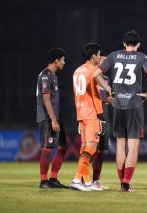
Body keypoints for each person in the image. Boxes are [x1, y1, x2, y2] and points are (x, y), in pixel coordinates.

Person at [95, 30, 147, 192]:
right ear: (138, 44)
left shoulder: (114, 56)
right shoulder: (142, 57)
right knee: (134, 146)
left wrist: (109, 89)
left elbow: (96, 74)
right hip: (134, 104)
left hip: (117, 105)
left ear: (124, 43)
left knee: (120, 145)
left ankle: (122, 182)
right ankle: (126, 183)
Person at [70, 43, 111, 191]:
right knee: (92, 148)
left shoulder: (77, 71)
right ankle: (76, 180)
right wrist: (101, 116)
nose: (100, 58)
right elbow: (96, 95)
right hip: (92, 113)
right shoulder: (94, 71)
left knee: (85, 147)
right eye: (99, 55)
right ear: (93, 56)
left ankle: (87, 181)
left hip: (81, 112)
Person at [36, 48, 68, 189]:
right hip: (48, 118)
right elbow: (46, 99)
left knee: (62, 147)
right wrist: (53, 120)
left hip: (56, 116)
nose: (64, 63)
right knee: (48, 148)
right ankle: (44, 182)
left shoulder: (53, 76)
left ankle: (53, 178)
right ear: (56, 60)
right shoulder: (46, 75)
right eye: (63, 60)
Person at [91, 51, 113, 190]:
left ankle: (96, 181)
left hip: (104, 115)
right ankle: (82, 178)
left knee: (101, 150)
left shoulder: (106, 79)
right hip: (92, 114)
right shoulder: (90, 75)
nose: (104, 62)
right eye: (103, 60)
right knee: (89, 147)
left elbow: (109, 99)